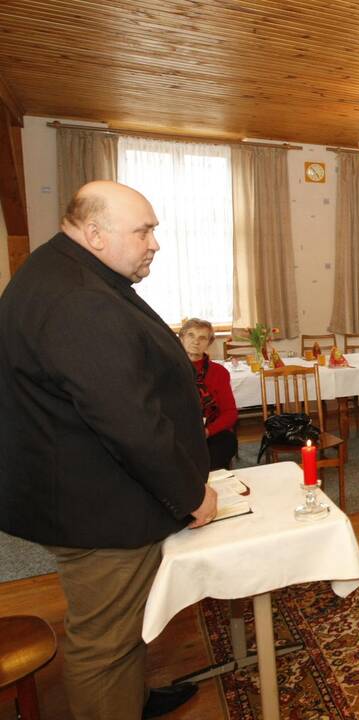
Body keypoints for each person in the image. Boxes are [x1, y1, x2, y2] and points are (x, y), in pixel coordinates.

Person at [0, 181, 217, 719]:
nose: (154, 244)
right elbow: (129, 422)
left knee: (122, 626)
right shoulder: (78, 300)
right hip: (99, 506)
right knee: (104, 643)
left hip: (90, 490)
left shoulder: (71, 273)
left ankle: (135, 696)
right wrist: (191, 494)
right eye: (144, 231)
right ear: (94, 234)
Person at [179, 317, 239, 470]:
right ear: (181, 337)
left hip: (210, 432)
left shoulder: (219, 373)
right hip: (179, 432)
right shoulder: (169, 369)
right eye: (191, 335)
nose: (196, 341)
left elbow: (230, 413)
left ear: (209, 343)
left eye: (202, 337)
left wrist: (207, 431)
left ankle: (208, 484)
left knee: (226, 441)